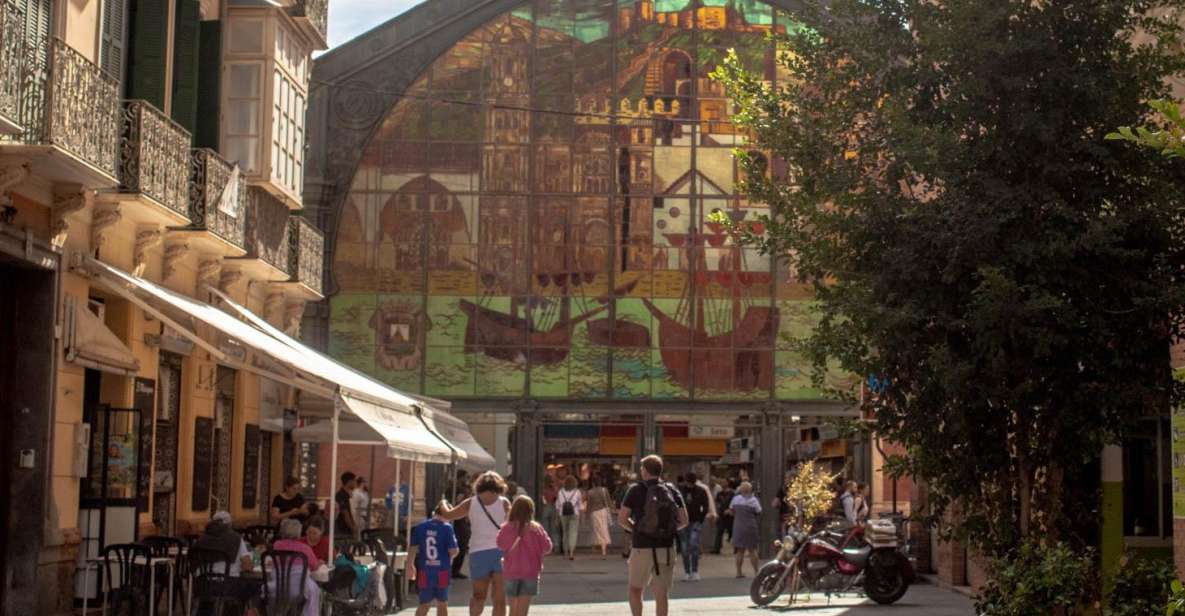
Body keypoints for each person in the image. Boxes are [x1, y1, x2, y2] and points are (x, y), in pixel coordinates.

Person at [618, 455, 688, 616]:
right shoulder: (672, 490)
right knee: (661, 593)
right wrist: (666, 530)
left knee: (635, 589)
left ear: (645, 471)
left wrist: (636, 529)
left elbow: (622, 518)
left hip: (642, 547)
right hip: (666, 547)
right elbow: (684, 520)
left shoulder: (635, 490)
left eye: (642, 468)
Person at [438, 471, 512, 616]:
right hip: (501, 553)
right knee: (499, 599)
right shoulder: (504, 502)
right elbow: (511, 526)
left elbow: (448, 515)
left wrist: (442, 504)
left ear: (479, 485)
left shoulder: (471, 502)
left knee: (479, 596)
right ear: (498, 485)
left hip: (478, 553)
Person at [497, 496, 553, 616]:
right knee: (523, 610)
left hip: (511, 571)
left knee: (512, 609)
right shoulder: (537, 529)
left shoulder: (507, 527)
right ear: (531, 510)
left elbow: (500, 544)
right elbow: (547, 547)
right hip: (530, 572)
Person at [408, 502, 460, 616]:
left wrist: (410, 565)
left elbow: (412, 548)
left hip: (424, 571)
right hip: (442, 570)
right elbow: (454, 551)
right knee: (442, 603)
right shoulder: (447, 528)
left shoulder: (420, 527)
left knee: (424, 604)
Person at [268, 518, 321, 616]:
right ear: (299, 532)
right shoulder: (305, 549)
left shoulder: (277, 545)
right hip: (298, 590)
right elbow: (315, 567)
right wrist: (318, 563)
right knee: (314, 589)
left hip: (277, 588)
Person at [193, 511, 253, 576]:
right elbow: (247, 566)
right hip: (227, 582)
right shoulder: (236, 538)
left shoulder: (201, 539)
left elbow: (193, 561)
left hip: (202, 581)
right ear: (230, 524)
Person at [678, 472, 712, 581]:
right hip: (684, 521)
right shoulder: (680, 491)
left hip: (695, 520)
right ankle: (688, 571)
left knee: (693, 544)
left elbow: (705, 505)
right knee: (685, 547)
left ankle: (694, 570)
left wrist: (701, 518)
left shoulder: (700, 491)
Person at [728, 483, 762, 578]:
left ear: (741, 490)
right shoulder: (754, 500)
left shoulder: (736, 499)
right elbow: (759, 511)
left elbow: (731, 511)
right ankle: (756, 572)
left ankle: (739, 572)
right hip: (751, 526)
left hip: (738, 526)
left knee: (740, 550)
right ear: (750, 490)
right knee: (752, 550)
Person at [585, 477, 614, 559]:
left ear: (593, 483)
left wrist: (587, 515)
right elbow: (609, 501)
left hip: (594, 513)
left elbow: (589, 505)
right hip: (603, 511)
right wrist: (612, 509)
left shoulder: (590, 492)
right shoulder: (604, 490)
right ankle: (603, 550)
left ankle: (597, 547)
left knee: (597, 530)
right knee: (604, 529)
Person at [557, 476, 583, 560]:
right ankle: (571, 553)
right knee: (573, 532)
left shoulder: (560, 492)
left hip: (563, 514)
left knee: (565, 532)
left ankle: (565, 552)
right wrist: (581, 514)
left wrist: (558, 515)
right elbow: (580, 505)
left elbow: (558, 505)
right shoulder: (577, 492)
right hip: (574, 513)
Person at [452, 484, 473, 580]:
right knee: (461, 546)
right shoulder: (462, 495)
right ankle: (454, 570)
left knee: (462, 547)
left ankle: (455, 570)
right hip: (460, 524)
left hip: (462, 524)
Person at [712, 479, 736, 554]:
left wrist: (730, 510)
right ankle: (716, 549)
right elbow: (717, 503)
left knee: (733, 532)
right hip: (721, 515)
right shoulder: (720, 493)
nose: (722, 484)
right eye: (721, 482)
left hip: (730, 515)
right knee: (719, 531)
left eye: (724, 482)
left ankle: (737, 549)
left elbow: (735, 503)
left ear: (727, 483)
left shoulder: (732, 493)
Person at [336, 472, 359, 538]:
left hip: (348, 528)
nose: (355, 483)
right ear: (349, 481)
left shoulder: (348, 495)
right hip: (343, 529)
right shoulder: (341, 495)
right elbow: (345, 513)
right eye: (354, 481)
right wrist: (352, 527)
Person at [540, 477, 560, 552]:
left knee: (545, 528)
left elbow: (542, 499)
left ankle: (546, 546)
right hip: (554, 507)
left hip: (545, 507)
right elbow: (557, 497)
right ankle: (556, 545)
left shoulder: (543, 490)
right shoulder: (554, 489)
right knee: (554, 528)